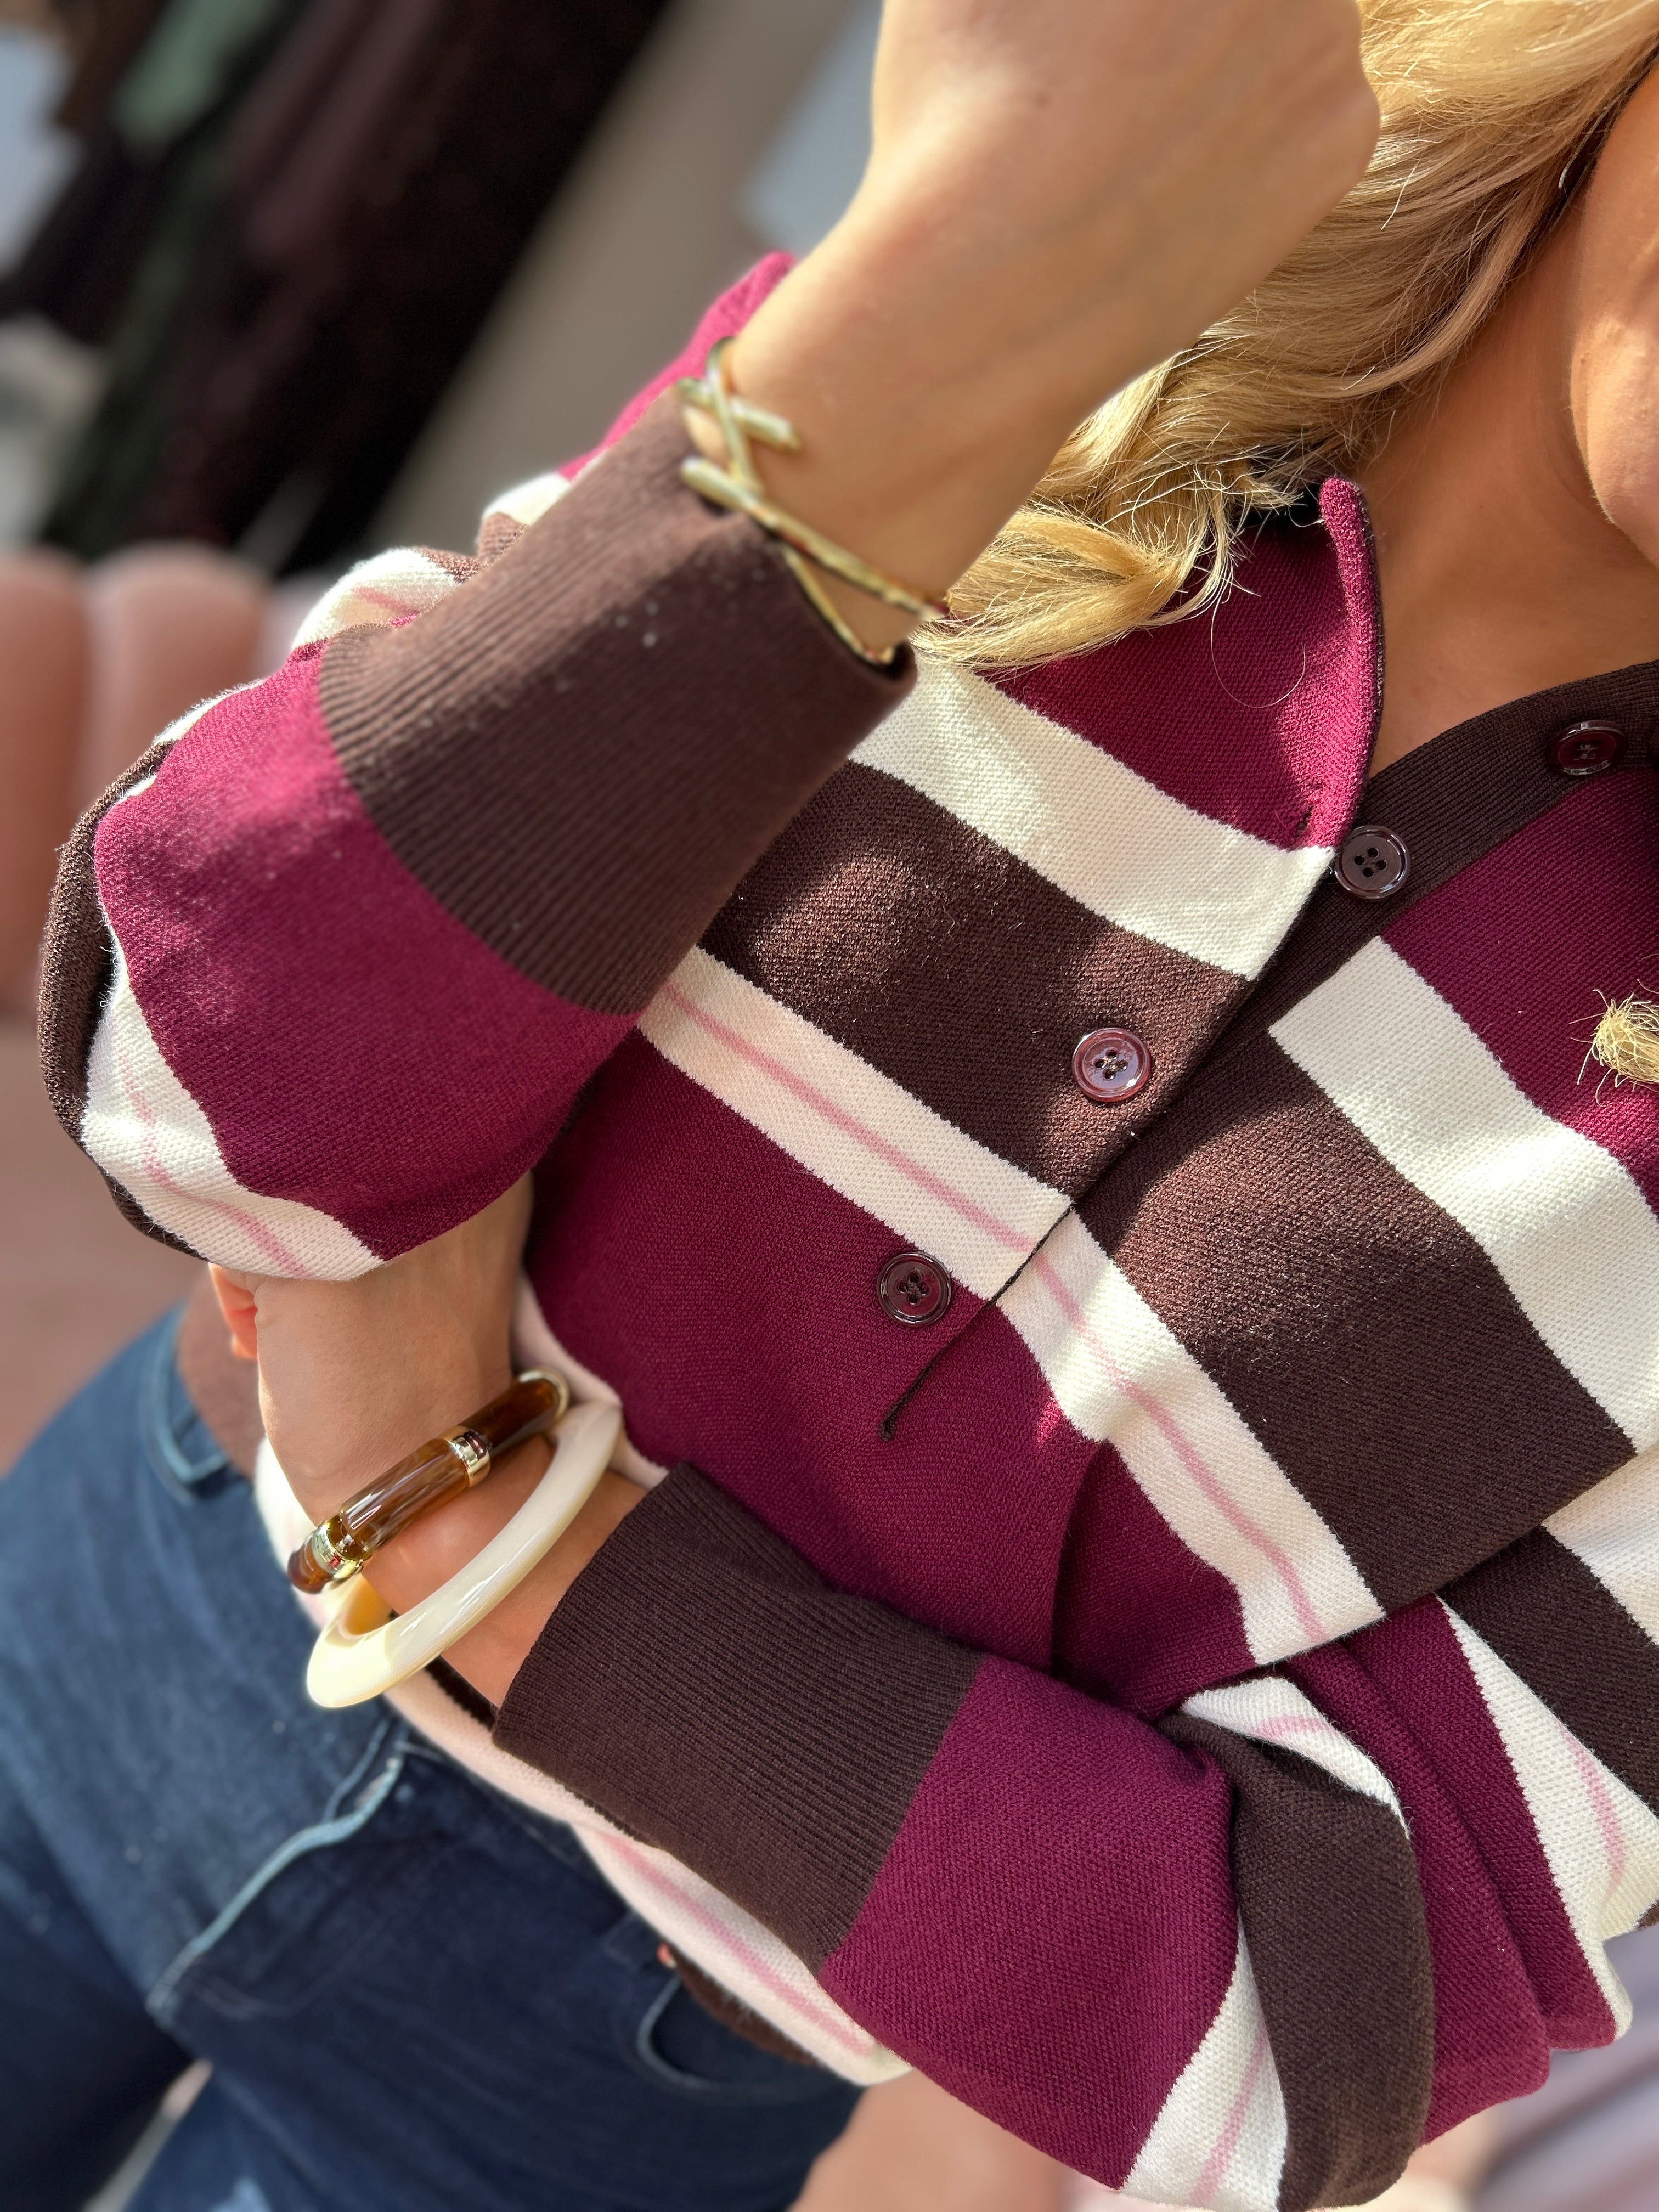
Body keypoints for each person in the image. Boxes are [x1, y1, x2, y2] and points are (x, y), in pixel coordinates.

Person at [5, 0, 1657, 2207]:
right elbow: (193, 1025)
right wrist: (941, 313)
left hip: (608, 2073)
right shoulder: (1029, 355)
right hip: (133, 1585)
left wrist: (471, 1521)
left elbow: (1289, 2039)